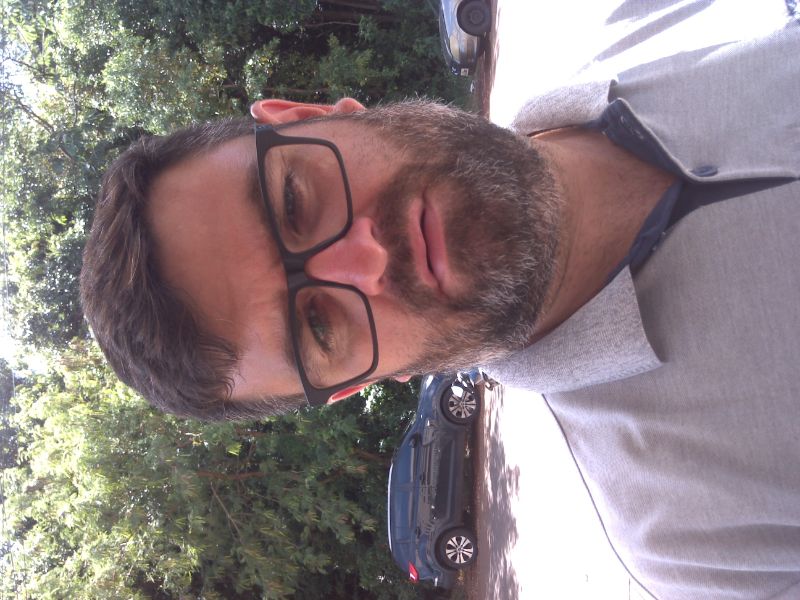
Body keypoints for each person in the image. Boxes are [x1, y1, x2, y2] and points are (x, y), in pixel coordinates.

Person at [80, 13, 799, 600]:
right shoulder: (703, 542)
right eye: (318, 326)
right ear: (359, 382)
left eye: (295, 200)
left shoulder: (661, 15)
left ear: (312, 114)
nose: (366, 259)